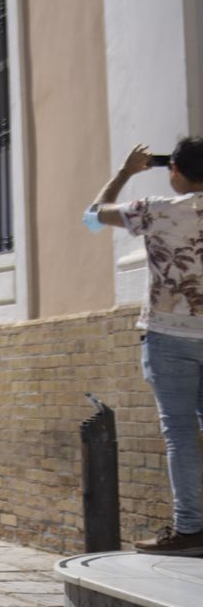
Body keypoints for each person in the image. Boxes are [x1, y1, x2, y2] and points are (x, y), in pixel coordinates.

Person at [89, 137, 203, 555]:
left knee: (180, 433)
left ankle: (190, 528)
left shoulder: (156, 209)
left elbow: (92, 216)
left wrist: (125, 172)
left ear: (174, 169)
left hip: (170, 336)